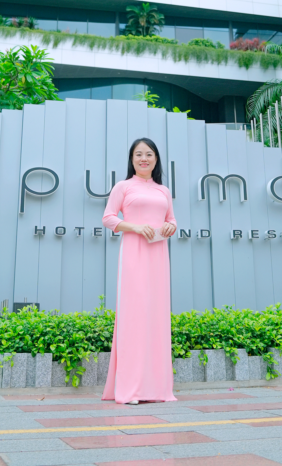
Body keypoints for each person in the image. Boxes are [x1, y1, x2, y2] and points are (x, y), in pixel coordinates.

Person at [101, 137, 177, 404]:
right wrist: (134, 226)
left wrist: (170, 227)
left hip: (158, 255)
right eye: (138, 154)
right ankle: (130, 389)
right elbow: (108, 217)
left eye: (149, 154)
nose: (144, 159)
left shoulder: (164, 190)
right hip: (134, 253)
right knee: (133, 317)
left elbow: (171, 220)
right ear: (132, 159)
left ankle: (157, 389)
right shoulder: (123, 187)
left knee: (157, 318)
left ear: (156, 159)